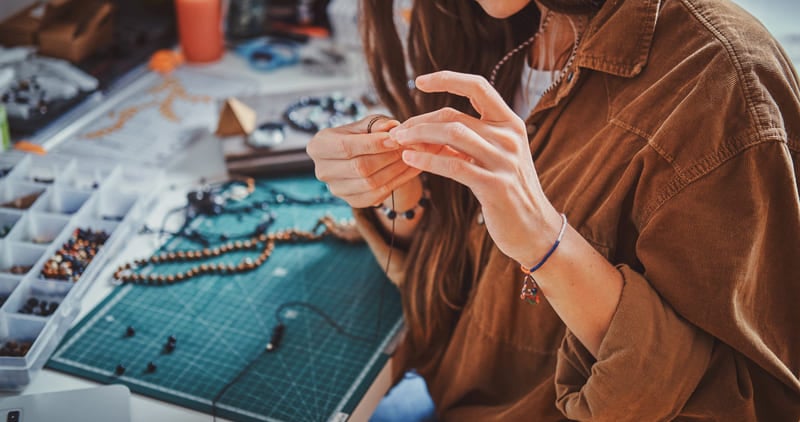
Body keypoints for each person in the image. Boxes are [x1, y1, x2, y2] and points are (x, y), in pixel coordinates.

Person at [307, 0, 800, 420]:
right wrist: (399, 194)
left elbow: (753, 402)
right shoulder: (512, 27)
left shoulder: (722, 82)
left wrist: (546, 241)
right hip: (450, 396)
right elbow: (467, 288)